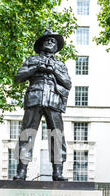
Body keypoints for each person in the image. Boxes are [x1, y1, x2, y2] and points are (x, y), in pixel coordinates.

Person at [13, 29, 72, 181]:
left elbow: (68, 83)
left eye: (53, 41)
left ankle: (57, 172)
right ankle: (21, 172)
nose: (50, 42)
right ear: (41, 44)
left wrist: (54, 72)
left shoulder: (60, 64)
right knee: (27, 134)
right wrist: (35, 68)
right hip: (34, 98)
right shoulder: (32, 59)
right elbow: (18, 76)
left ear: (56, 47)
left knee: (57, 136)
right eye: (47, 40)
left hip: (54, 101)